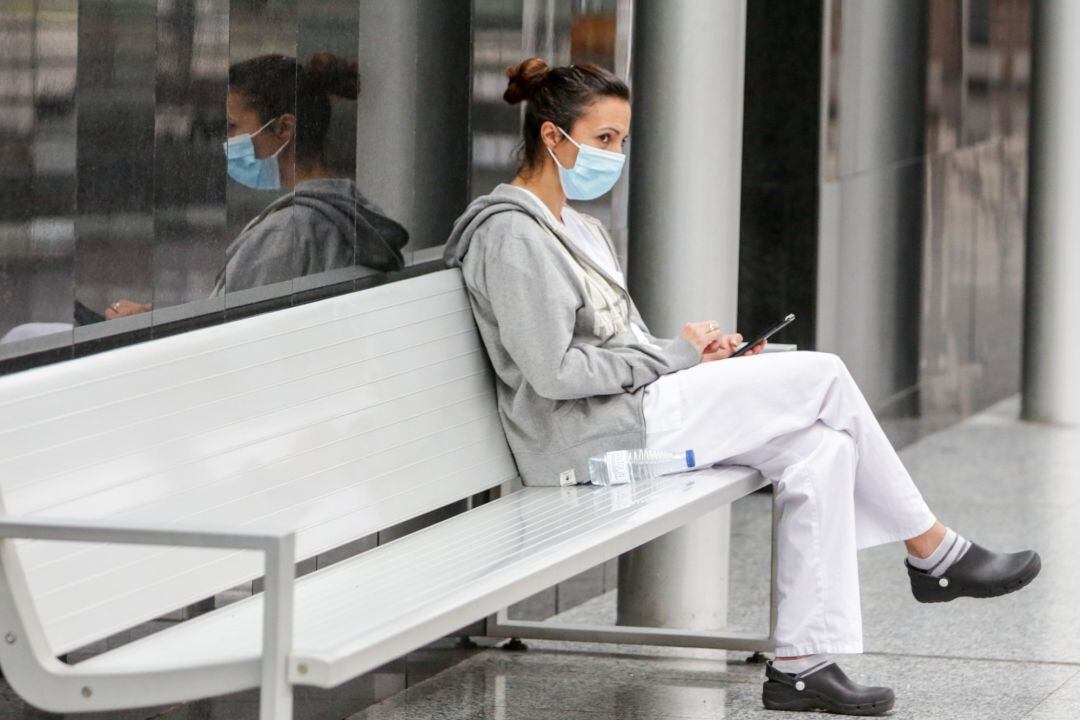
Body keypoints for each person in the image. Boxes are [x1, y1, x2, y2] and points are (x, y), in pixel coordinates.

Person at [442, 57, 1041, 716]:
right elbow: (554, 373)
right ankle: (934, 552)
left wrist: (699, 357)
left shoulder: (578, 228)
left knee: (821, 449)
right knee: (825, 374)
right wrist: (677, 355)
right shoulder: (511, 238)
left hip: (629, 416)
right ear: (553, 138)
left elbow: (619, 347)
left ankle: (803, 663)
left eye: (622, 140)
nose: (615, 154)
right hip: (584, 443)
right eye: (603, 139)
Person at [104, 53, 409, 318]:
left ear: (283, 128)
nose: (227, 141)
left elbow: (231, 348)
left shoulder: (287, 232)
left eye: (233, 126)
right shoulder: (350, 216)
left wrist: (144, 335)